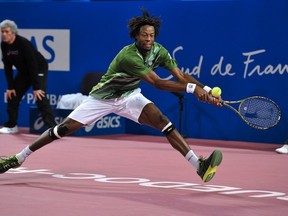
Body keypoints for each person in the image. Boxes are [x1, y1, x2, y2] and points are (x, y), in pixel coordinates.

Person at [0, 9, 223, 183]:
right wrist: (194, 90)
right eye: (144, 35)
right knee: (61, 130)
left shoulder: (159, 51)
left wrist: (206, 89)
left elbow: (181, 75)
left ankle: (199, 166)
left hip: (129, 97)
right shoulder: (129, 56)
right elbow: (157, 83)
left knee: (165, 123)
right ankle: (18, 158)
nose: (148, 38)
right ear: (136, 35)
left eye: (151, 35)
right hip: (101, 99)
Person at [0, 19, 56, 134]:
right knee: (12, 94)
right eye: (2, 32)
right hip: (24, 73)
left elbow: (32, 64)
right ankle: (12, 125)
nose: (4, 34)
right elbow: (7, 66)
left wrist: (36, 87)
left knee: (40, 96)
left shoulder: (23, 43)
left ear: (13, 32)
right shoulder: (4, 45)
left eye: (6, 32)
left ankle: (53, 129)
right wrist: (10, 86)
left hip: (38, 68)